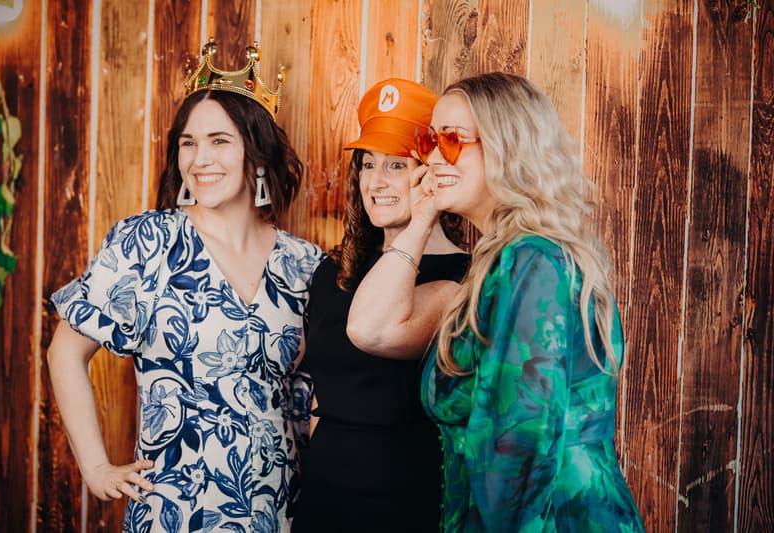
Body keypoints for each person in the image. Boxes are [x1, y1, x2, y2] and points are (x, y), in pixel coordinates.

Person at [47, 39, 323, 532]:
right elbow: (64, 352)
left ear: (256, 152)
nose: (200, 159)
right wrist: (95, 468)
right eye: (188, 142)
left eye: (220, 140)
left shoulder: (303, 264)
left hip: (279, 509)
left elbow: (315, 396)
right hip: (175, 510)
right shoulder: (146, 242)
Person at [351, 71, 645, 531]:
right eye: (430, 141)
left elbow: (518, 450)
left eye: (450, 140)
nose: (431, 157)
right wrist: (424, 209)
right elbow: (370, 330)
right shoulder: (501, 262)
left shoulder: (533, 260)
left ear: (508, 145)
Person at [292, 78, 469, 532]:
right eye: (367, 164)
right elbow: (322, 393)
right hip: (325, 495)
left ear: (429, 171)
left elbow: (375, 330)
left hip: (405, 499)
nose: (375, 182)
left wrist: (426, 212)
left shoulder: (461, 276)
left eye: (396, 165)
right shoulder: (332, 272)